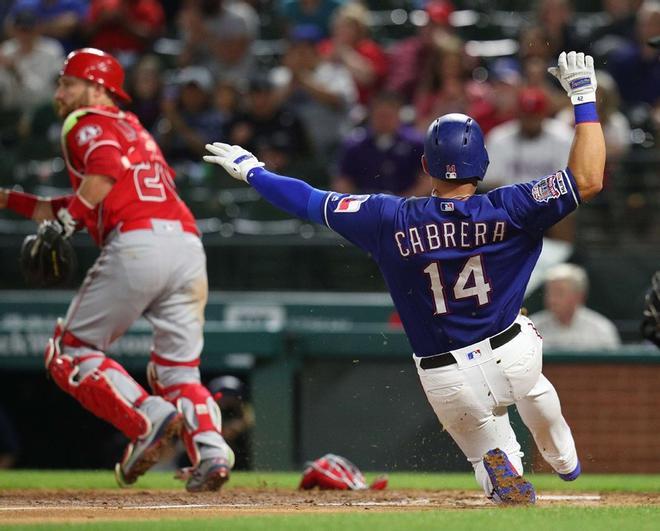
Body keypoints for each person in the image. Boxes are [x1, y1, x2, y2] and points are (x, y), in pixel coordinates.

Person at [204, 51, 605, 505]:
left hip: (445, 373)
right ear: (483, 161)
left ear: (427, 163)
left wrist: (254, 171)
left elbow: (309, 201)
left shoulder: (387, 217)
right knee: (532, 371)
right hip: (512, 354)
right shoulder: (513, 205)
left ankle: (499, 468)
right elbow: (587, 178)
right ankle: (564, 460)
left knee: (488, 456)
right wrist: (583, 96)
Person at [0, 48, 234, 492]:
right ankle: (211, 449)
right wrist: (11, 200)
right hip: (186, 245)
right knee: (177, 372)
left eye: (69, 83)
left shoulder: (84, 120)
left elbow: (102, 173)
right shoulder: (134, 128)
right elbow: (87, 197)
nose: (61, 92)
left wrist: (67, 223)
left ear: (98, 88)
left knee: (70, 349)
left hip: (138, 244)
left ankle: (148, 416)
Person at [530, 263, 622, 350]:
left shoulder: (601, 330)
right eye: (549, 293)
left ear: (579, 296)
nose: (552, 299)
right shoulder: (531, 327)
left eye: (559, 293)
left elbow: (614, 366)